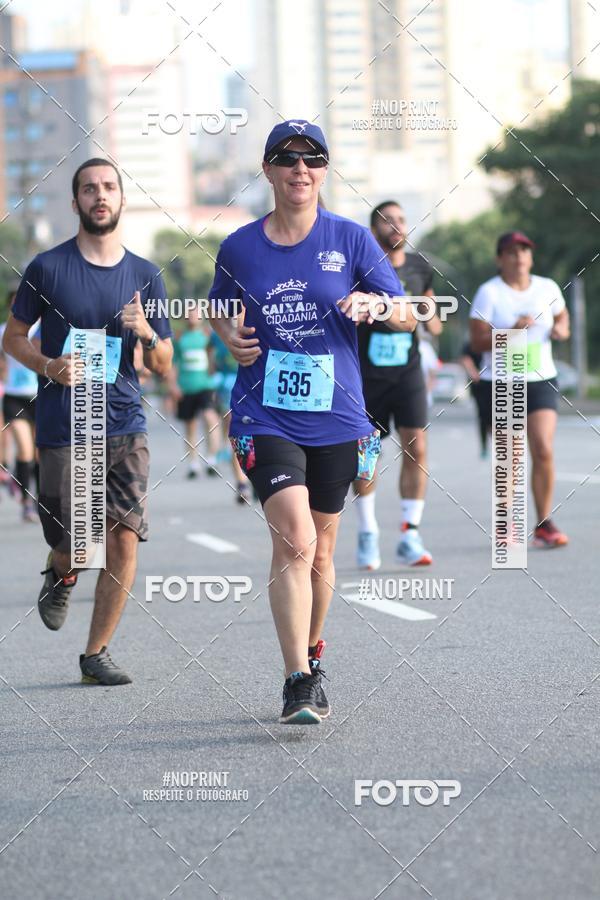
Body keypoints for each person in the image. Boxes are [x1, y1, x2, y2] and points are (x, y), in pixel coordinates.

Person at [207, 120, 416, 724]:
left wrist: (377, 304)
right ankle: (297, 678)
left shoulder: (351, 240)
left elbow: (407, 314)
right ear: (268, 170)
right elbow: (219, 309)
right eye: (287, 159)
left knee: (322, 549)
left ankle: (313, 652)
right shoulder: (241, 246)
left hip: (336, 415)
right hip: (263, 411)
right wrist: (229, 336)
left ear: (324, 171)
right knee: (294, 539)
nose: (301, 170)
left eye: (312, 160)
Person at [2, 157, 173, 683]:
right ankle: (61, 572)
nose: (100, 196)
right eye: (89, 189)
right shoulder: (47, 268)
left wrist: (146, 332)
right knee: (76, 541)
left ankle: (95, 653)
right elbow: (12, 338)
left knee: (122, 538)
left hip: (124, 422)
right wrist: (48, 364)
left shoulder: (145, 275)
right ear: (76, 202)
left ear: (122, 199)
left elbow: (163, 362)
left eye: (108, 188)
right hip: (64, 425)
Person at [353, 200, 442, 570]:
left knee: (417, 447)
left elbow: (434, 323)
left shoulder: (421, 267)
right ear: (375, 231)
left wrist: (431, 314)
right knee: (366, 458)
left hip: (407, 372)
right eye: (388, 221)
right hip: (368, 376)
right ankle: (368, 532)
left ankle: (409, 534)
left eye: (402, 219)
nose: (397, 226)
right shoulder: (363, 268)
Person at [470, 230, 570, 548]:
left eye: (525, 251)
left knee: (542, 448)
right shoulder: (489, 293)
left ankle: (543, 523)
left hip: (541, 378)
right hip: (502, 381)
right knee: (511, 457)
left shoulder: (547, 287)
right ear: (500, 259)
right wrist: (511, 331)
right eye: (512, 252)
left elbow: (562, 316)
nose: (520, 257)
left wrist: (561, 329)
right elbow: (477, 341)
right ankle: (506, 525)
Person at [0, 290, 40, 520]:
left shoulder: (42, 329)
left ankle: (40, 499)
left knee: (38, 453)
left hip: (40, 396)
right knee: (24, 448)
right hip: (14, 397)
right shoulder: (5, 332)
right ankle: (26, 502)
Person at [169, 304, 221, 479]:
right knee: (190, 426)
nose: (192, 316)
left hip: (206, 385)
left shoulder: (207, 336)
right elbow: (173, 364)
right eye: (189, 313)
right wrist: (173, 386)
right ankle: (193, 463)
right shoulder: (180, 338)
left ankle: (212, 457)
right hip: (186, 387)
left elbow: (216, 358)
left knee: (209, 417)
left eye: (196, 313)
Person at [208, 329, 251, 503]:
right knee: (237, 430)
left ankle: (255, 477)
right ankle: (242, 483)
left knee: (257, 435)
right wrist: (212, 372)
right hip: (228, 384)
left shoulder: (254, 323)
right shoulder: (217, 331)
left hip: (255, 384)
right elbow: (209, 351)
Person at [459, 339, 489, 458]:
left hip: (497, 382)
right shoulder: (473, 342)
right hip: (479, 385)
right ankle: (484, 447)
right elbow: (465, 359)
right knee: (483, 416)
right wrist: (473, 372)